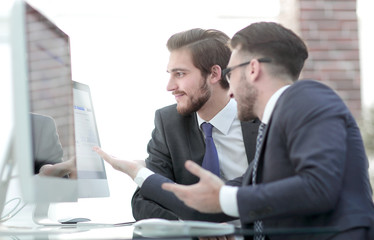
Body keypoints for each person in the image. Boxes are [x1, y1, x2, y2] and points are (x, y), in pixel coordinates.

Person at [95, 22, 374, 239]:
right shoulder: (272, 128)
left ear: (252, 69)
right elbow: (203, 204)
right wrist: (137, 172)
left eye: (231, 72)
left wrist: (227, 198)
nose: (229, 86)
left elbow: (319, 186)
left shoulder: (309, 97)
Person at [127, 28, 259, 221]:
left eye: (180, 74)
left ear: (214, 74)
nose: (170, 86)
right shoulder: (168, 122)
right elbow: (143, 202)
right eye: (170, 74)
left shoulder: (262, 117)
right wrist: (196, 226)